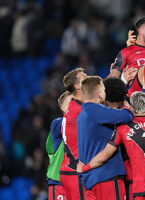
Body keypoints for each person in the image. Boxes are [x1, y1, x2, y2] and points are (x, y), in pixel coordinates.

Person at [77, 91, 145, 200]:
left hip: (142, 188)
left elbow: (104, 156)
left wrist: (84, 168)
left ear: (131, 107)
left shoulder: (123, 128)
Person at [77, 76, 133, 200]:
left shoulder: (81, 116)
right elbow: (125, 116)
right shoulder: (96, 110)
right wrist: (128, 109)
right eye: (104, 90)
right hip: (107, 176)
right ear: (99, 94)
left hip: (90, 180)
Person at [108, 16, 145, 83]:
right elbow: (111, 82)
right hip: (135, 92)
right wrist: (123, 80)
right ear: (140, 30)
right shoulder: (126, 52)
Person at [59, 68, 88, 200]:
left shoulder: (79, 108)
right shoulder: (77, 110)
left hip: (73, 169)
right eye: (84, 76)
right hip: (75, 169)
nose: (88, 76)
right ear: (77, 86)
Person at [46, 91, 72, 200]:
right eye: (71, 102)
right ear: (63, 107)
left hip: (77, 182)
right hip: (59, 184)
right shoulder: (57, 124)